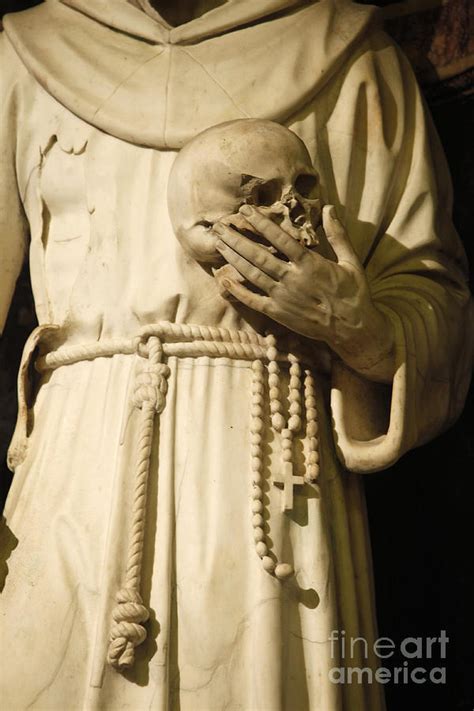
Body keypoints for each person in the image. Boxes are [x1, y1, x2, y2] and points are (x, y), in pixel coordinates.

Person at [0, 1, 471, 709]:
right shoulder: (28, 52)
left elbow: (437, 298)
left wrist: (358, 327)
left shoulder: (348, 55)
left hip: (273, 468)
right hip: (77, 473)